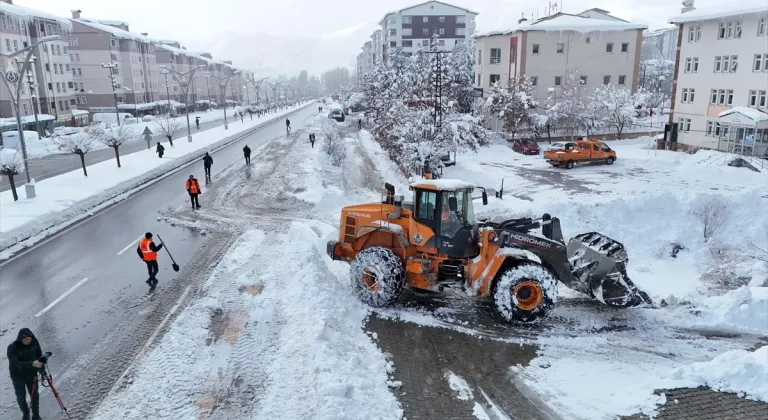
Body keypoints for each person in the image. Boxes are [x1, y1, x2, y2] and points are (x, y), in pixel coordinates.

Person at [8, 328, 43, 420]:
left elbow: (39, 355)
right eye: (25, 340)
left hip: (32, 373)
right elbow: (15, 363)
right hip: (18, 375)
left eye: (29, 339)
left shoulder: (34, 342)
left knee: (34, 394)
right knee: (21, 396)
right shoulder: (12, 347)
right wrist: (32, 363)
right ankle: (25, 413)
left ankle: (36, 414)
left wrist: (41, 368)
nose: (27, 341)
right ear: (20, 339)